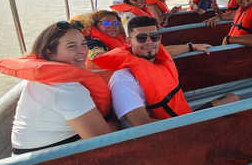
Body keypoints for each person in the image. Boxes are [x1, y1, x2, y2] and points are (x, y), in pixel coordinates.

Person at [92, 16, 240, 128]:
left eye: (154, 37)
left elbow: (166, 51)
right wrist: (193, 128)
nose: (149, 42)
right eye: (141, 38)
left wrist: (192, 46)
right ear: (129, 42)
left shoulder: (157, 59)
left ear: (159, 38)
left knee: (232, 98)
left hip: (181, 119)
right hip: (162, 134)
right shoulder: (123, 80)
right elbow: (142, 124)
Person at [0, 20, 114, 154]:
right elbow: (106, 144)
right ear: (50, 53)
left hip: (34, 160)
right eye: (72, 46)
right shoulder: (67, 89)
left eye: (84, 44)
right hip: (48, 164)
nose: (82, 51)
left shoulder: (46, 80)